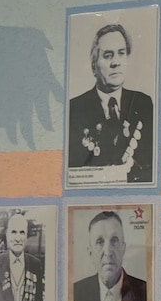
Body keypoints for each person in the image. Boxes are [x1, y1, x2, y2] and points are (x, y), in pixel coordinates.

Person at [66, 23, 154, 182]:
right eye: (107, 55)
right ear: (94, 66)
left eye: (121, 53)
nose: (116, 62)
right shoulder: (74, 109)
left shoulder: (143, 104)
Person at [71, 210, 148, 301]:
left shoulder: (145, 293)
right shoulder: (75, 294)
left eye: (114, 240)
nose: (108, 252)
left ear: (123, 248)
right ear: (90, 253)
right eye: (100, 242)